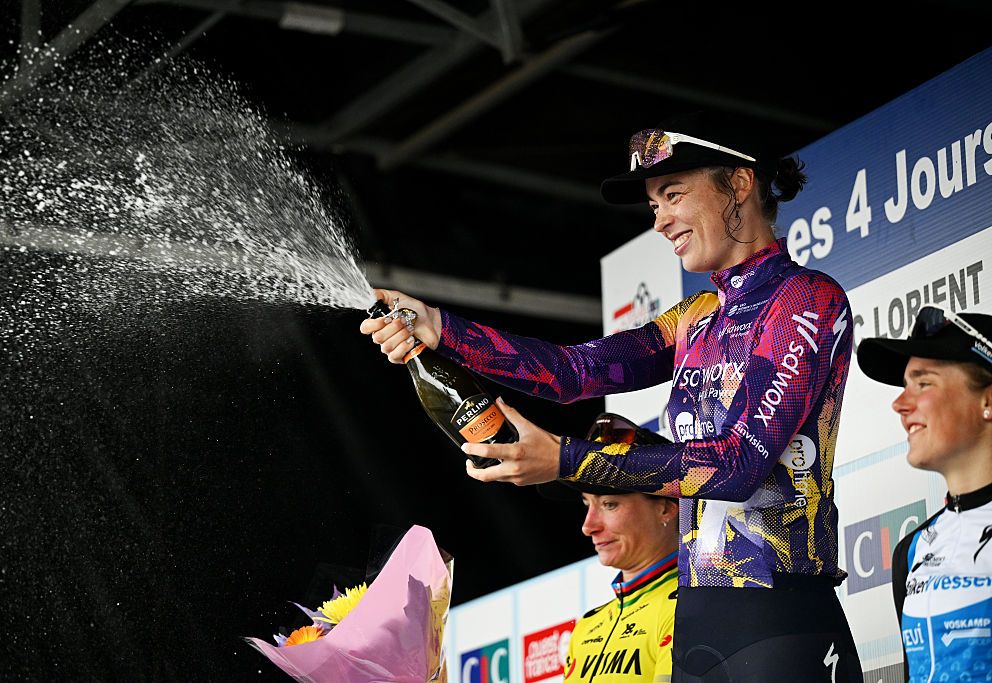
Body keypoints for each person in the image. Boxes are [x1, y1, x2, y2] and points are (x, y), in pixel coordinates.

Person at [361, 110, 863, 681]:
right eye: (654, 205)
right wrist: (441, 328)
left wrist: (567, 460)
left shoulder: (805, 297)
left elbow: (740, 463)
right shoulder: (698, 317)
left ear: (740, 183)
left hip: (781, 612)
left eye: (672, 194)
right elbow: (574, 372)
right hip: (701, 618)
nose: (661, 221)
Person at [856, 306, 992, 682]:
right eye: (904, 385)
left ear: (988, 401)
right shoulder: (911, 550)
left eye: (924, 382)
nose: (899, 404)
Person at [538, 412, 679, 682]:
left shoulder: (689, 609)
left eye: (609, 504)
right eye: (586, 503)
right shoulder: (587, 628)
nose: (588, 526)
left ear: (665, 507)